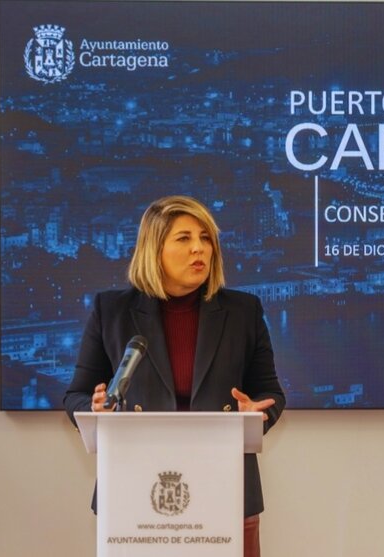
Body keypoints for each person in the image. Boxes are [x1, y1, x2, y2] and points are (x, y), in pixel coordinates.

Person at [64, 195, 286, 557]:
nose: (199, 248)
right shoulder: (112, 311)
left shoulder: (243, 311)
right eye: (184, 239)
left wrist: (258, 412)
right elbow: (75, 396)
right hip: (135, 491)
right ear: (154, 249)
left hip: (226, 489)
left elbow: (270, 393)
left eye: (206, 238)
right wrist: (95, 409)